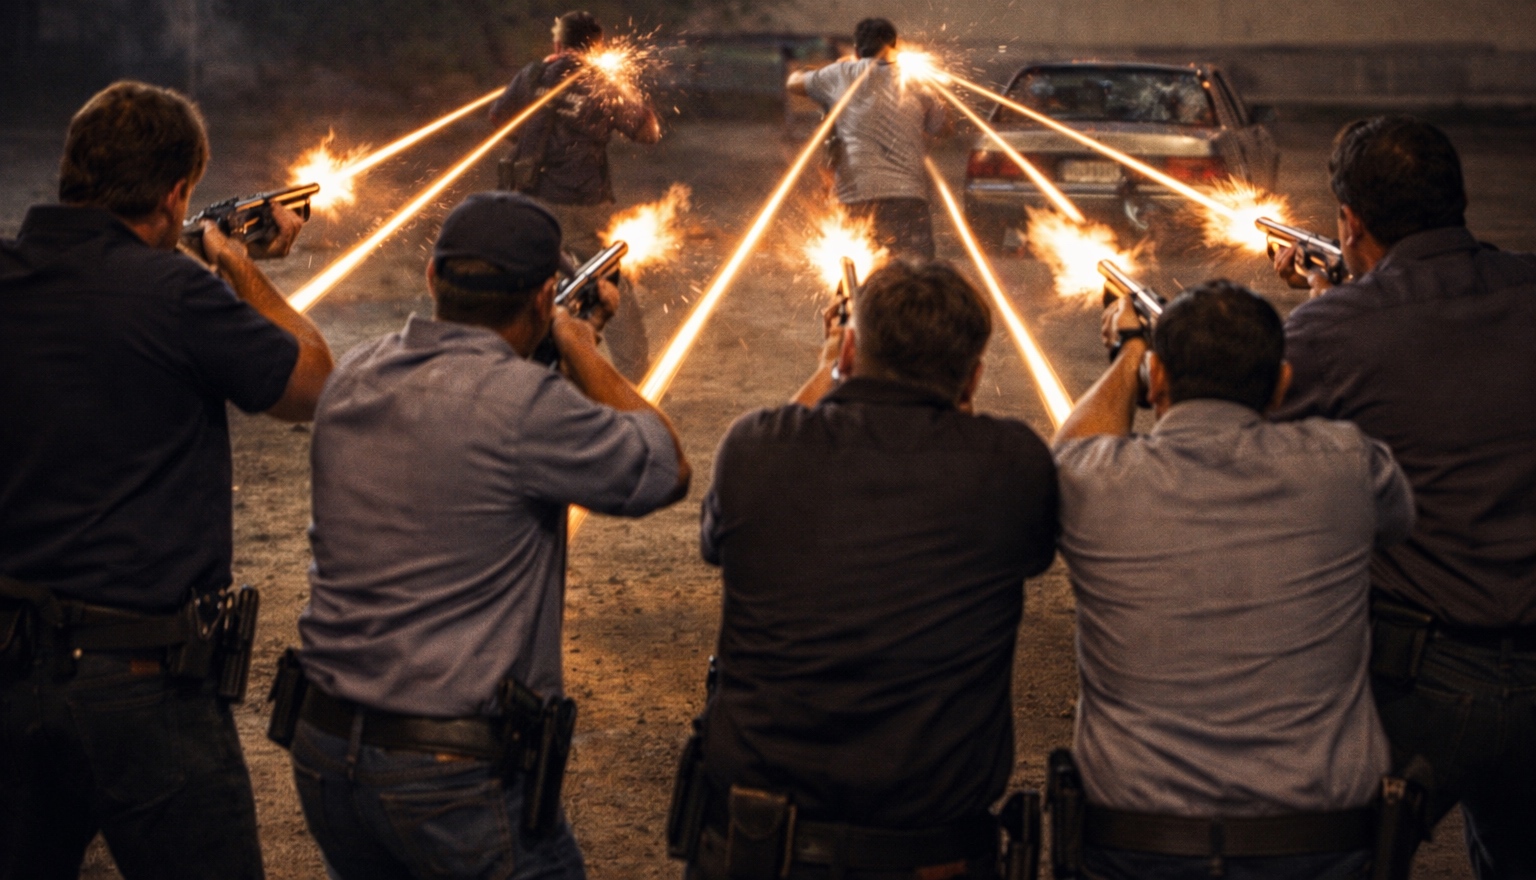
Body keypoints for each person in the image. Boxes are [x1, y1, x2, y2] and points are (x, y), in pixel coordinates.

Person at [287, 192, 690, 880]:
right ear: (543, 296)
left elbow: (466, 429)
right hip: (450, 770)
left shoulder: (356, 374)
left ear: (432, 277)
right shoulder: (529, 407)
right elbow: (662, 468)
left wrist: (545, 347)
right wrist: (580, 347)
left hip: (324, 745)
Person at [0, 80, 333, 878]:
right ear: (177, 191)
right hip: (143, 678)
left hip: (11, 664)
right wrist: (238, 267)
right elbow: (312, 384)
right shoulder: (178, 294)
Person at [682, 260, 1059, 879]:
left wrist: (830, 369)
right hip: (930, 857)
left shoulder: (755, 447)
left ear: (852, 349)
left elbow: (735, 513)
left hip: (760, 849)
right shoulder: (1013, 464)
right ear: (973, 376)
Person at [1052, 280, 1415, 880]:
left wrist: (1129, 353)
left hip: (1140, 842)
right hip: (1319, 843)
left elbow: (1067, 452)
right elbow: (1397, 521)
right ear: (1280, 382)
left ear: (1156, 379)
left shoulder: (1095, 478)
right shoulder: (1350, 464)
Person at [1272, 115, 1536, 879]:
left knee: (1332, 859)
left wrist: (1325, 306)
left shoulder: (1333, 329)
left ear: (1349, 222)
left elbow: (1250, 445)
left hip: (1418, 677)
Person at [489, 10, 661, 380]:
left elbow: (499, 118)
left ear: (557, 42)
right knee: (609, 285)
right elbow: (649, 133)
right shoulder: (603, 84)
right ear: (597, 47)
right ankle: (635, 380)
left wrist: (533, 137)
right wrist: (626, 90)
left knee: (525, 284)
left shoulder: (533, 75)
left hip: (532, 200)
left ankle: (508, 372)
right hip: (584, 203)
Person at [786, 18, 948, 259]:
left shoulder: (840, 74)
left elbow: (793, 83)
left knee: (859, 273)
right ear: (895, 47)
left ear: (856, 50)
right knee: (917, 274)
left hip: (856, 199)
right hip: (908, 198)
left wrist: (823, 68)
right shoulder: (915, 80)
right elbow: (943, 128)